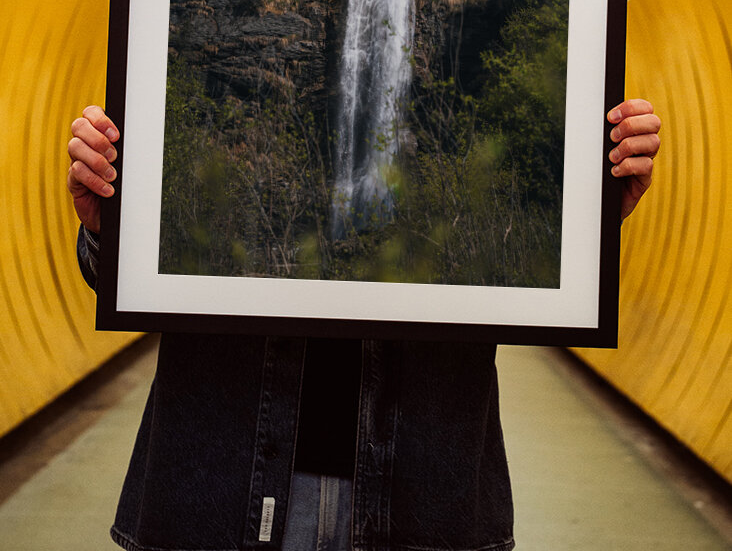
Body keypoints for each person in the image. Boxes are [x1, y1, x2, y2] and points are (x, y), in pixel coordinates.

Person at [68, 98, 661, 551]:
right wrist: (110, 227)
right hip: (219, 484)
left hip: (424, 493)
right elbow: (129, 274)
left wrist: (585, 219)